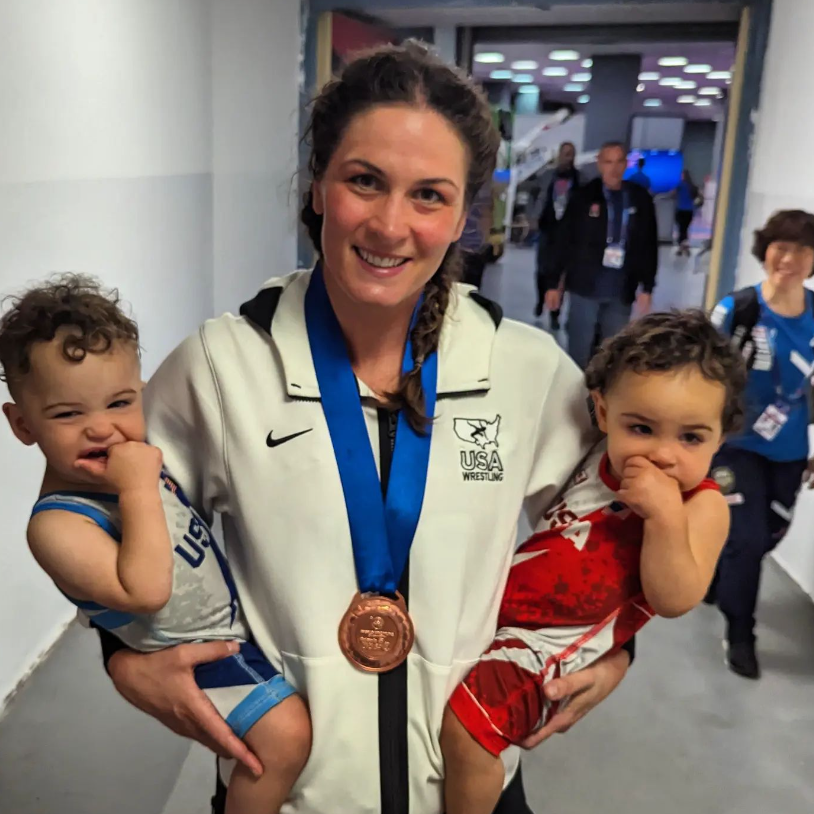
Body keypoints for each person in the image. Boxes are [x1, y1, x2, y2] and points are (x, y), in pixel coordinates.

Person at [90, 41, 633, 814]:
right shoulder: (223, 365)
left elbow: (610, 519)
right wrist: (121, 653)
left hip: (468, 790)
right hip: (284, 791)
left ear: (462, 217)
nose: (389, 224)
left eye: (428, 196)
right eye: (364, 181)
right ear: (317, 186)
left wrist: (615, 646)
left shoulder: (524, 370)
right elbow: (99, 495)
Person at [0, 275, 311, 814]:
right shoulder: (57, 525)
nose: (102, 429)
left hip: (232, 625)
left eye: (119, 403)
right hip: (193, 651)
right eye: (69, 413)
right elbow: (145, 592)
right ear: (22, 424)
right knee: (285, 737)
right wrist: (140, 486)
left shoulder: (129, 466)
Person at [440, 310, 743, 814]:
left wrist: (665, 518)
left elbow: (675, 598)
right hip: (505, 619)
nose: (663, 454)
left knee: (467, 732)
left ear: (720, 437)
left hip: (552, 648)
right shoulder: (597, 457)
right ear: (602, 413)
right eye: (642, 428)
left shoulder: (701, 504)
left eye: (691, 437)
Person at [709, 210, 814, 679]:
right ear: (764, 251)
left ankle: (720, 571)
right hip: (733, 447)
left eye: (801, 250)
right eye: (780, 247)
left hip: (788, 450)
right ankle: (740, 633)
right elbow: (704, 376)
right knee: (746, 540)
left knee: (767, 535)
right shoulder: (737, 310)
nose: (788, 258)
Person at [544, 141, 658, 370]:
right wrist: (553, 284)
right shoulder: (583, 197)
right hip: (585, 287)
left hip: (621, 289)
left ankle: (602, 391)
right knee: (579, 353)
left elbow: (648, 244)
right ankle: (578, 391)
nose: (613, 169)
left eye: (619, 162)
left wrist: (647, 287)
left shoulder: (639, 199)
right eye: (608, 162)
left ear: (626, 164)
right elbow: (563, 242)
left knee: (612, 355)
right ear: (599, 164)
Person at [531, 141, 580, 330]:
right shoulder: (546, 176)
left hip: (568, 234)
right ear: (559, 154)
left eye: (571, 153)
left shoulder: (580, 180)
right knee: (542, 270)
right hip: (547, 229)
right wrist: (532, 217)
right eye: (565, 153)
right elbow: (535, 197)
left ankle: (555, 313)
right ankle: (540, 300)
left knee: (561, 275)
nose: (568, 157)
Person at [671, 170, 701, 256]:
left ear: (683, 176)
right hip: (689, 211)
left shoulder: (680, 185)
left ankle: (681, 248)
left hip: (680, 210)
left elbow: (672, 194)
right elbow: (698, 198)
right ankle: (685, 247)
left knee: (681, 230)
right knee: (685, 229)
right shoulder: (693, 187)